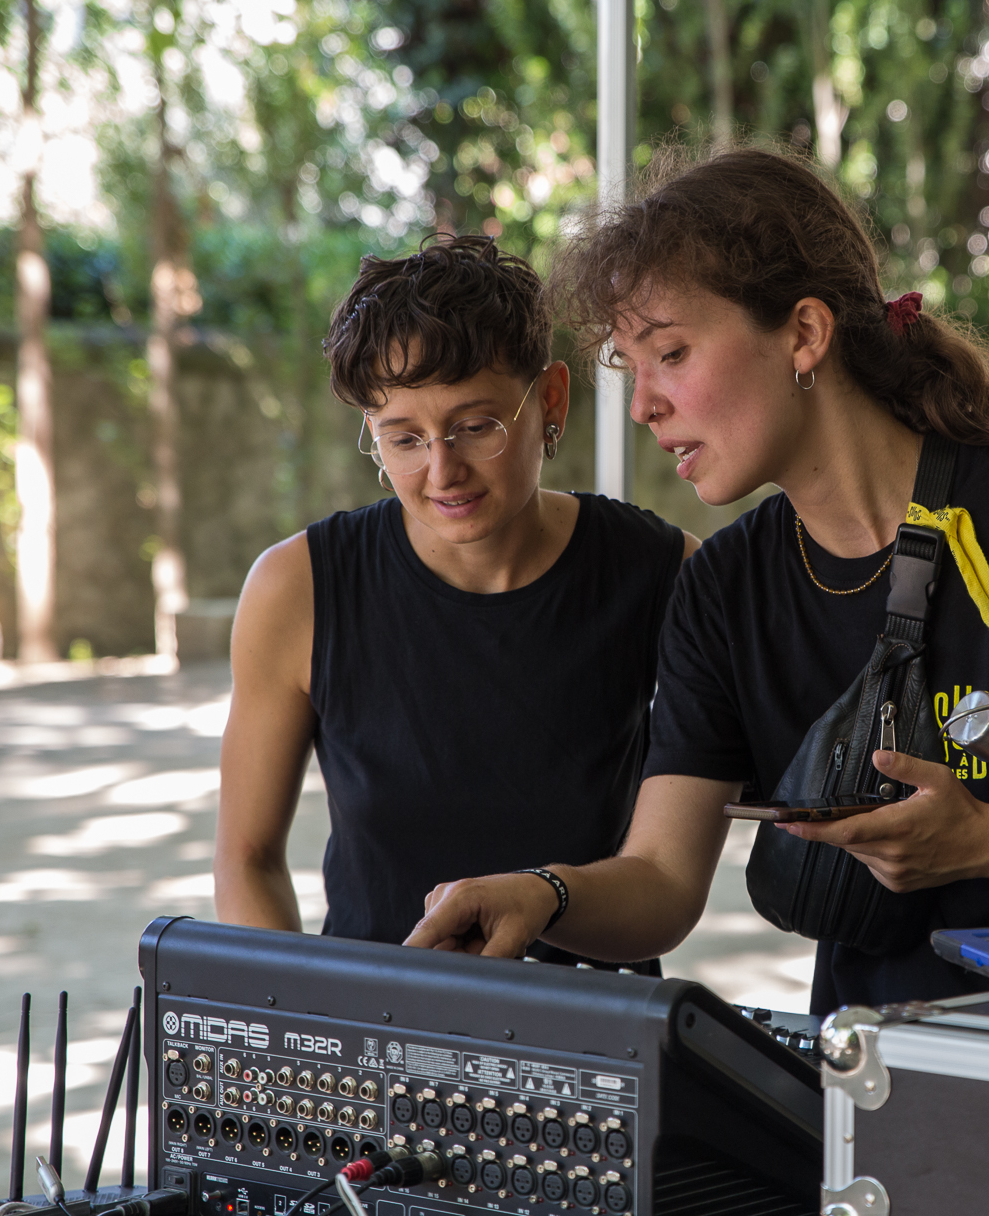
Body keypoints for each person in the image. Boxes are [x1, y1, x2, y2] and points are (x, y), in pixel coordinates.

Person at [404, 149, 989, 1010]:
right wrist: (543, 893)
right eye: (632, 366)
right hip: (865, 1068)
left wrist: (986, 840)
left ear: (805, 334)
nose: (643, 405)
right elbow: (661, 879)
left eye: (671, 353)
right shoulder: (722, 589)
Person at [213, 234, 694, 962]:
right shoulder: (298, 588)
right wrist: (301, 1015)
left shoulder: (659, 571)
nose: (443, 471)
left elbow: (686, 855)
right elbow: (247, 858)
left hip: (592, 1019)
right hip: (370, 1018)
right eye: (404, 439)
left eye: (475, 427)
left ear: (551, 399)